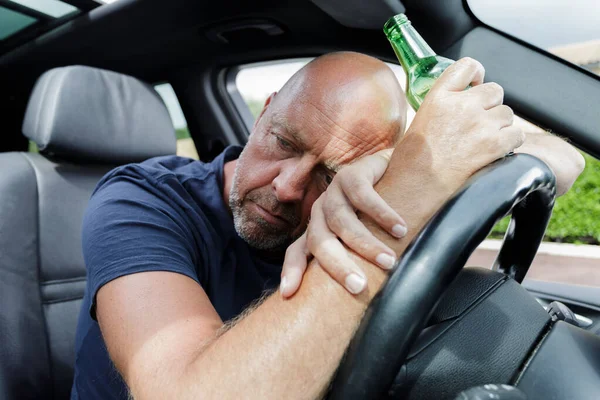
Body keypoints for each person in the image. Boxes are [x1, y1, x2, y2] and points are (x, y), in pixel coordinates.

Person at [71, 52, 583, 399]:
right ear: (263, 113)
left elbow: (565, 159)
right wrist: (404, 197)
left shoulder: (373, 193)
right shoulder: (141, 198)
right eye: (285, 143)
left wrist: (405, 175)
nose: (290, 186)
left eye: (329, 173)